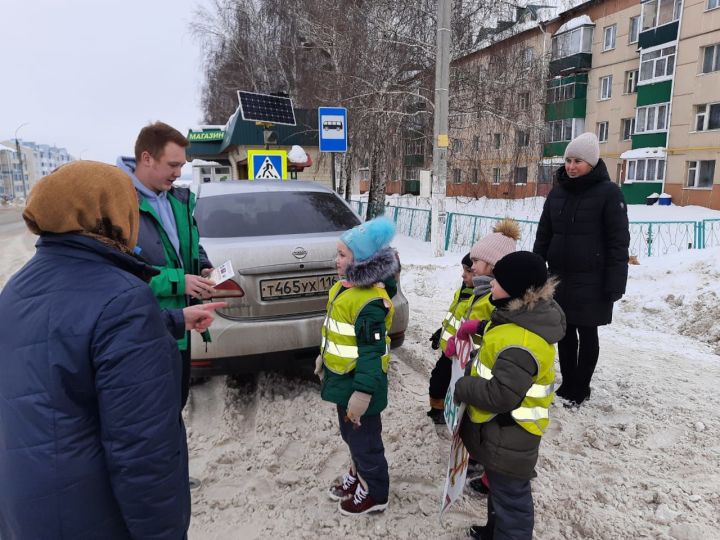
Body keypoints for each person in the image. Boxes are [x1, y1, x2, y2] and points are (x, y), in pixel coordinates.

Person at [0, 161, 223, 539]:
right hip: (93, 513)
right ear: (110, 215)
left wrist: (170, 322)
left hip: (26, 506)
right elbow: (142, 453)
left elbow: (70, 345)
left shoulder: (16, 289)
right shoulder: (122, 298)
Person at [454, 251, 566, 540]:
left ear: (517, 290)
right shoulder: (518, 317)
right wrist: (477, 328)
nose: (490, 283)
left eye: (497, 280)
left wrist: (463, 387)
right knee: (500, 491)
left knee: (512, 500)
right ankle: (494, 531)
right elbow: (500, 336)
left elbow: (501, 394)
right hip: (502, 430)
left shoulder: (521, 342)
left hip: (512, 434)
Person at [117, 121, 215, 408]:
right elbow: (119, 274)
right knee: (151, 411)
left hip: (180, 328)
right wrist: (179, 281)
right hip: (142, 331)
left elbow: (189, 244)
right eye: (173, 164)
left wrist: (203, 267)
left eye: (182, 165)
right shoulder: (119, 204)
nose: (178, 173)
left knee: (176, 405)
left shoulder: (177, 200)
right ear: (146, 158)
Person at [533, 132, 630, 406]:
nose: (571, 166)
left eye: (578, 161)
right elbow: (544, 234)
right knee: (564, 331)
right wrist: (536, 267)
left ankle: (581, 387)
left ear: (592, 162)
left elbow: (618, 242)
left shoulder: (609, 193)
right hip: (559, 277)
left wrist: (615, 282)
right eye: (568, 160)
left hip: (593, 279)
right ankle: (568, 383)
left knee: (587, 332)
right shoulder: (557, 193)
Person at [315, 217, 400, 516]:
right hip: (343, 379)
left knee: (366, 442)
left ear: (361, 261)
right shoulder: (344, 289)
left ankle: (376, 493)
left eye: (342, 255)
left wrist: (363, 394)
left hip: (360, 386)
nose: (336, 260)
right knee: (352, 436)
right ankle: (359, 475)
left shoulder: (370, 303)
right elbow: (337, 332)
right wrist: (324, 357)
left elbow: (371, 353)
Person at [444, 219, 520, 359]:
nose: (472, 267)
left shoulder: (495, 297)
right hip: (464, 356)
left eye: (476, 261)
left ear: (492, 264)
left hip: (479, 359)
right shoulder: (479, 290)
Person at [426, 253, 475, 424]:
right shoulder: (462, 291)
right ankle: (438, 409)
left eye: (469, 271)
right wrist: (441, 332)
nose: (463, 274)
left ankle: (440, 411)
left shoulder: (476, 300)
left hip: (459, 354)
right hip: (449, 349)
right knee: (440, 379)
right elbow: (454, 319)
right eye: (463, 270)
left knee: (441, 381)